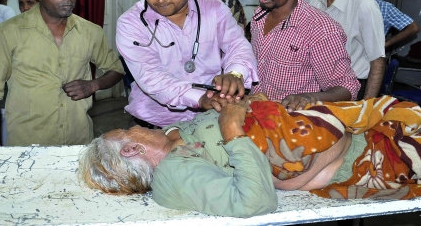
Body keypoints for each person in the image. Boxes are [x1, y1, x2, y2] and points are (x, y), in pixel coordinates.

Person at [79, 93, 421, 218]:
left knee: (403, 112)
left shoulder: (174, 140)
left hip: (351, 131)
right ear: (132, 149)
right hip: (365, 154)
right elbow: (254, 201)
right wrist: (232, 129)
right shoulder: (171, 176)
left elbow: (193, 127)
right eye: (128, 130)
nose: (136, 125)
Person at [0, 0, 124, 146]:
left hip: (79, 141)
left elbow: (117, 70)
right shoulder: (6, 32)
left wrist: (93, 85)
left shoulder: (90, 31)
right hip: (28, 144)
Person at [116, 0, 258, 128]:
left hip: (211, 121)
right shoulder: (131, 23)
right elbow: (152, 78)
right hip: (155, 124)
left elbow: (237, 45)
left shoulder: (213, 9)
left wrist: (235, 73)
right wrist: (200, 99)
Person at [249, 0, 359, 111]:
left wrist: (308, 97)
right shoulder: (259, 17)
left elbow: (347, 88)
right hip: (256, 114)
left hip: (294, 122)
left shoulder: (320, 29)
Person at [309, 0, 386, 100]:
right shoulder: (315, 3)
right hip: (321, 88)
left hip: (354, 88)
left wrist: (366, 105)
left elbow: (377, 60)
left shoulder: (363, 4)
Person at [354, 0, 419, 51]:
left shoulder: (384, 7)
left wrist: (384, 45)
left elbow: (413, 28)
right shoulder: (342, 3)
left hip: (368, 59)